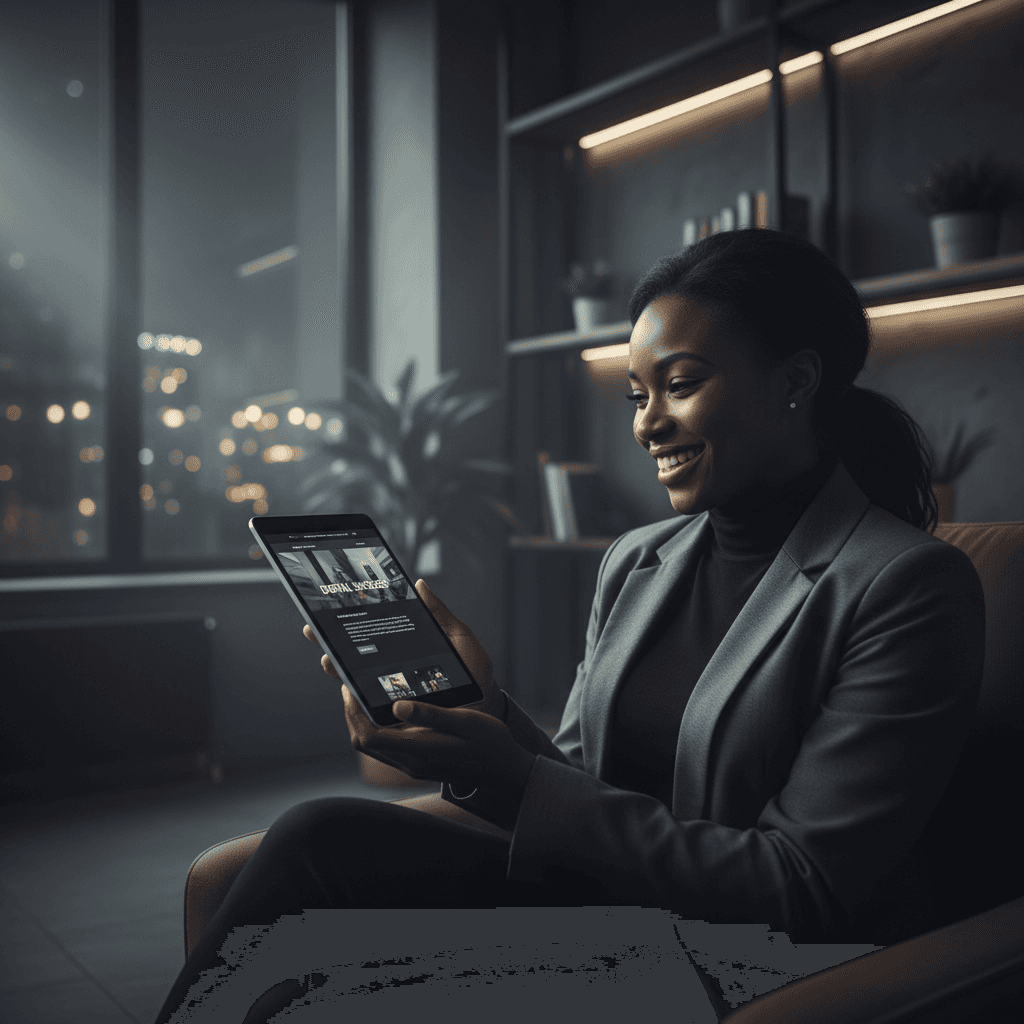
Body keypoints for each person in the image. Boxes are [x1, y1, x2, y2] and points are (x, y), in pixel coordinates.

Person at [153, 229, 985, 1021]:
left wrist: (516, 779)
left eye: (681, 383)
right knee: (321, 837)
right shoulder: (638, 559)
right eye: (637, 394)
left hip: (751, 952)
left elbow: (804, 887)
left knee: (320, 847)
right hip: (618, 908)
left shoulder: (906, 584)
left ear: (795, 381)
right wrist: (488, 716)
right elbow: (582, 780)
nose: (646, 423)